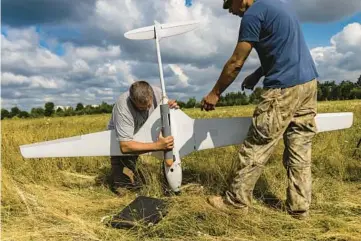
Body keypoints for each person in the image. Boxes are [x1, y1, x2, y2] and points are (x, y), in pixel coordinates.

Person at [201, 0, 319, 219]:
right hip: (308, 85)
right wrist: (257, 75)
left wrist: (215, 93)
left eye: (230, 5)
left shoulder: (253, 15)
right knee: (300, 149)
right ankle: (299, 208)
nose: (231, 11)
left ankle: (235, 203)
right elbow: (280, 50)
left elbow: (236, 61)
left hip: (283, 89)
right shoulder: (280, 6)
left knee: (257, 145)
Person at [107, 80, 178, 194]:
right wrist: (157, 146)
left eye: (148, 106)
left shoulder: (158, 93)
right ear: (132, 100)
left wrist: (169, 106)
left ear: (151, 94)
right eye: (141, 108)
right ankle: (122, 178)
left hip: (145, 128)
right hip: (122, 138)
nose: (145, 109)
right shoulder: (123, 107)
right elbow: (125, 146)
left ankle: (167, 181)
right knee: (125, 189)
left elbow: (164, 114)